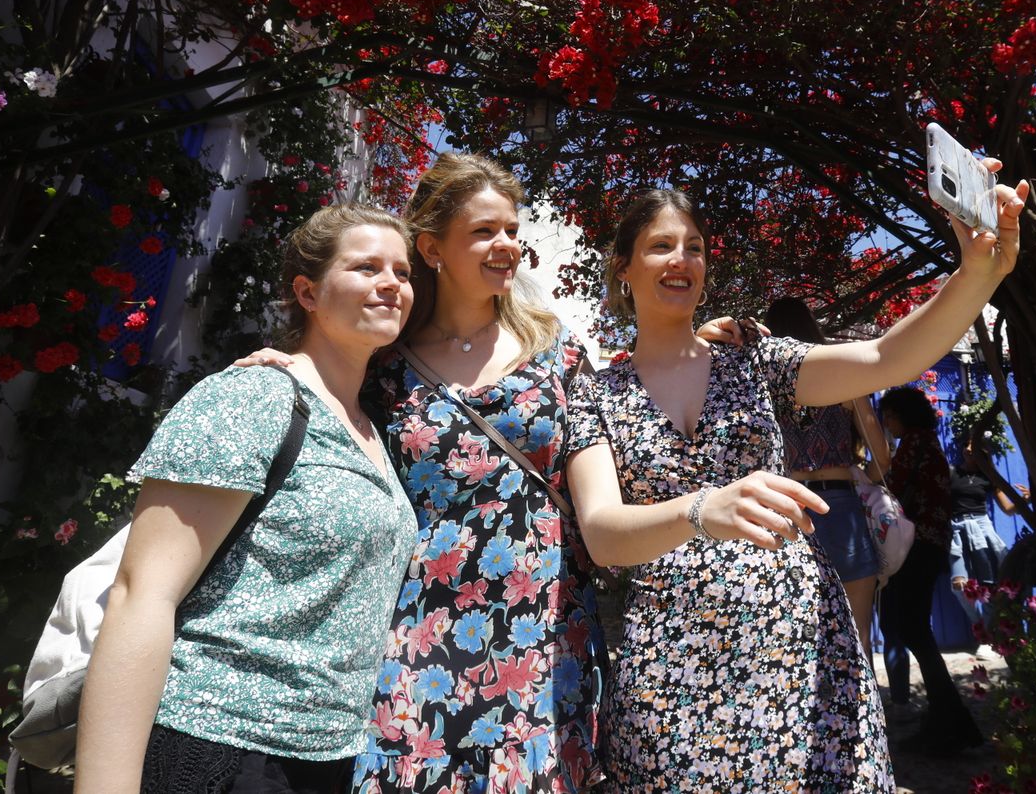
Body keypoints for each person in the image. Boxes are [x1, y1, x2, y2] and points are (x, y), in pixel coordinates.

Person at [235, 154, 755, 793]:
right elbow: (333, 407)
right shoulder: (384, 362)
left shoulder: (553, 349)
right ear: (432, 248)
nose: (507, 245)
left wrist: (693, 339)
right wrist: (292, 367)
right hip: (418, 628)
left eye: (513, 229)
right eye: (484, 231)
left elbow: (623, 407)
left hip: (542, 625)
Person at [563, 164, 1027, 791]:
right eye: (660, 246)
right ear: (622, 265)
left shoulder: (756, 359)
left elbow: (885, 356)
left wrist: (979, 273)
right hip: (671, 661)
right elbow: (603, 534)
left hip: (799, 640)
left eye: (694, 246)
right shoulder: (595, 394)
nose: (681, 259)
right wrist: (701, 509)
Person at [75, 205, 419, 794]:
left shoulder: (373, 429)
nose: (391, 283)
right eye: (366, 267)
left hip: (323, 757)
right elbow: (142, 594)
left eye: (403, 272)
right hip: (215, 746)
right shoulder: (254, 397)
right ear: (307, 293)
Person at [762, 296, 893, 658]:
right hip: (841, 506)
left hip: (785, 507)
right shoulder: (843, 381)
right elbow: (881, 456)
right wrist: (858, 476)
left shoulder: (765, 387)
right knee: (858, 635)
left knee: (794, 635)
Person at [877, 387, 985, 753]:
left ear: (901, 415)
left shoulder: (912, 445)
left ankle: (951, 719)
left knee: (914, 630)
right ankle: (950, 718)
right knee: (917, 630)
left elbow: (891, 491)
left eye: (889, 416)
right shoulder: (930, 443)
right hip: (932, 544)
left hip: (916, 547)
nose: (887, 424)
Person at [949, 436, 1027, 630]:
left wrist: (1025, 500)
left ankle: (991, 632)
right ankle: (979, 626)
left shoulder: (988, 477)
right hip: (957, 529)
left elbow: (1008, 510)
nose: (967, 449)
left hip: (981, 527)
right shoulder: (951, 473)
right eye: (965, 445)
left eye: (972, 446)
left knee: (988, 583)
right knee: (959, 585)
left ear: (983, 452)